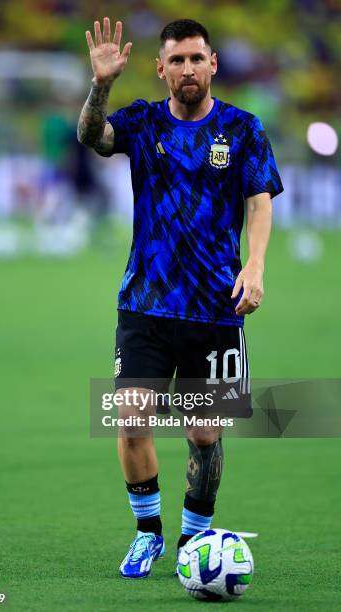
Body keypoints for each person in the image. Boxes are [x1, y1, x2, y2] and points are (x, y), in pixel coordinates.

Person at [77, 17, 283, 579]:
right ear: (161, 68)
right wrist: (100, 85)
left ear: (213, 64)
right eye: (177, 60)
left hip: (218, 306)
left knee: (203, 433)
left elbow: (260, 201)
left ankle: (196, 536)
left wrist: (257, 266)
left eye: (197, 59)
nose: (187, 69)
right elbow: (92, 137)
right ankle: (148, 533)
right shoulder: (143, 122)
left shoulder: (242, 130)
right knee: (132, 418)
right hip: (145, 301)